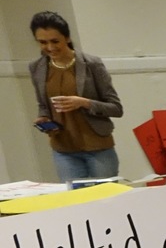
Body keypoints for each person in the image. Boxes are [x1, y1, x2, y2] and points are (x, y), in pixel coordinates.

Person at [28, 11, 123, 182]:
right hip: (63, 149)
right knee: (74, 197)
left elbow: (116, 108)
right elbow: (43, 104)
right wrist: (43, 118)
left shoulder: (92, 64)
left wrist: (84, 103)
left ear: (67, 38)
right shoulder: (37, 68)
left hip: (98, 147)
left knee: (107, 195)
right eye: (43, 42)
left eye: (55, 41)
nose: (50, 47)